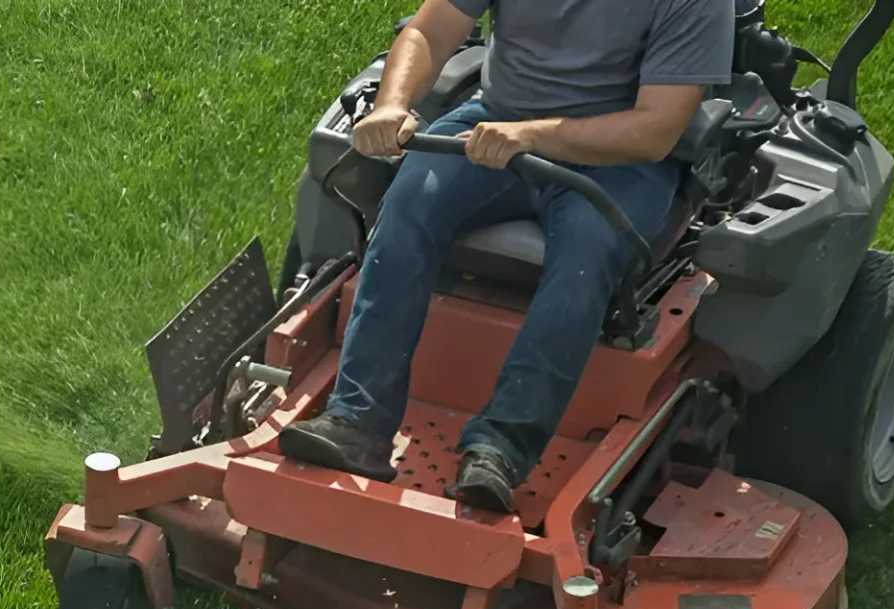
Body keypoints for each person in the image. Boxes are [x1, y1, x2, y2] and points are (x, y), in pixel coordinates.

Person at [278, 0, 734, 512]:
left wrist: (530, 136)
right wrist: (393, 103)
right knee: (408, 202)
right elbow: (429, 32)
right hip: (495, 122)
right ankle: (358, 421)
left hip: (619, 160)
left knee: (587, 254)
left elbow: (655, 129)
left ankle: (499, 450)